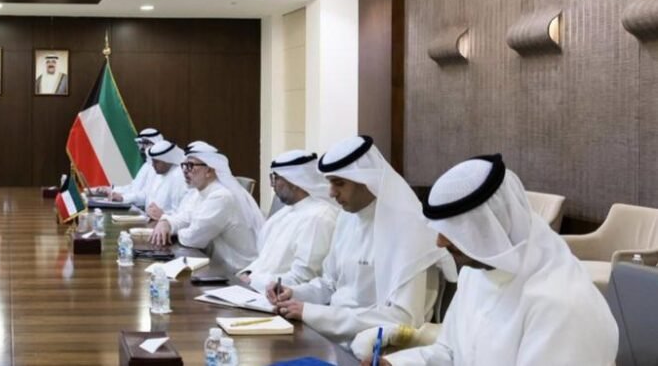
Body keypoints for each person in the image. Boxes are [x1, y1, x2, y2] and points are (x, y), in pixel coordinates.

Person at [357, 154, 618, 365]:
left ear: (486, 228)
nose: (439, 243)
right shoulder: (476, 271)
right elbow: (449, 354)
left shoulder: (561, 304)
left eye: (451, 233)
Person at [268, 135, 450, 344]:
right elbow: (331, 284)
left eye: (339, 184)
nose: (331, 193)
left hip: (374, 351)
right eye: (330, 183)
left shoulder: (409, 229)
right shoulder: (348, 217)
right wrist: (294, 294)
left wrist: (312, 314)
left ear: (366, 181)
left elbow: (403, 319)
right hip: (331, 337)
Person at [236, 150, 339, 292]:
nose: (273, 185)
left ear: (294, 181)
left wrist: (253, 281)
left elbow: (303, 278)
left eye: (276, 178)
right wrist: (246, 274)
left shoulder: (319, 217)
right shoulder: (286, 212)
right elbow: (264, 260)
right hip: (254, 289)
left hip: (281, 298)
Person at [149, 150, 265, 274]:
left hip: (236, 272)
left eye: (191, 166)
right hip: (213, 263)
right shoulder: (200, 192)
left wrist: (173, 231)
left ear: (209, 170)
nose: (185, 171)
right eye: (184, 165)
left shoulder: (221, 196)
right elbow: (185, 217)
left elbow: (194, 238)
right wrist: (166, 222)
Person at [91, 127, 162, 203]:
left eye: (145, 144)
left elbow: (145, 195)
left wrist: (123, 198)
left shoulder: (160, 167)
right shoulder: (147, 165)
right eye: (140, 145)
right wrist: (110, 189)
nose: (142, 149)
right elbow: (133, 188)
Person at [136, 141, 189, 221]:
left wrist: (163, 215)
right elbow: (146, 195)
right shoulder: (158, 173)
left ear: (167, 160)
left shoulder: (179, 176)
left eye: (156, 162)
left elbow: (182, 214)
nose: (153, 165)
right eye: (152, 161)